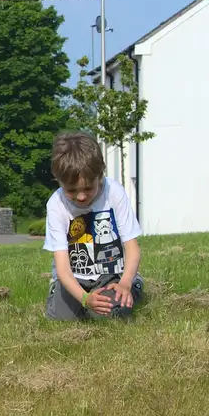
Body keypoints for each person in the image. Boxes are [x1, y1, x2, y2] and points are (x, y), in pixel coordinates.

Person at [43, 131, 143, 320]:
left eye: (88, 188)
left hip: (111, 275)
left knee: (110, 314)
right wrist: (84, 298)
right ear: (58, 181)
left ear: (100, 176)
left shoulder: (114, 193)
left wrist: (125, 282)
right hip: (74, 277)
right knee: (62, 318)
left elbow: (133, 248)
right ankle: (59, 293)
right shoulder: (56, 204)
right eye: (71, 190)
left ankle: (135, 286)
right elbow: (63, 267)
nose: (81, 197)